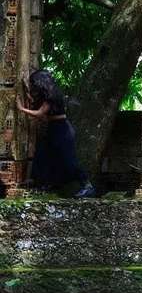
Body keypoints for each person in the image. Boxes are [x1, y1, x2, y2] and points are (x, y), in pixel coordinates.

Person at [16, 70, 95, 198]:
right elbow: (37, 105)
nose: (33, 87)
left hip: (62, 130)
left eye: (34, 84)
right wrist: (25, 91)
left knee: (69, 161)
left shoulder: (53, 95)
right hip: (53, 129)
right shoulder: (48, 95)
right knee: (43, 155)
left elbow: (40, 113)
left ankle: (87, 186)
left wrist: (21, 108)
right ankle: (44, 185)